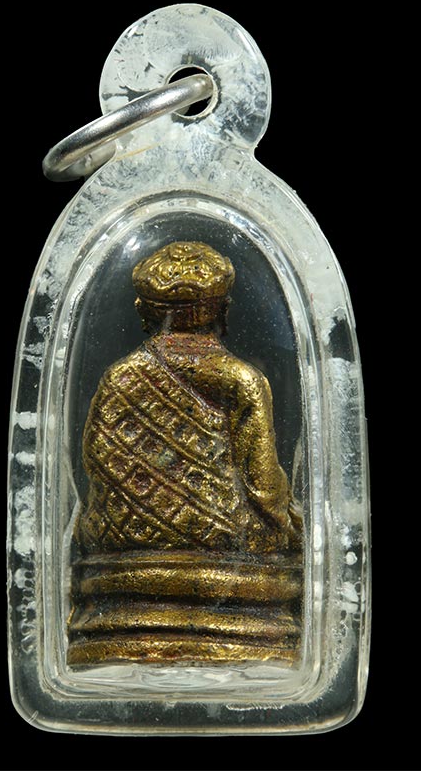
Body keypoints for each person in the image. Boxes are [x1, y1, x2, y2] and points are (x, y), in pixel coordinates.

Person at [68, 241, 302, 665]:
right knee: (289, 532)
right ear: (222, 310)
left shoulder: (118, 377)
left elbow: (96, 466)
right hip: (225, 541)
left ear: (143, 310)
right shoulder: (242, 379)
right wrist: (289, 521)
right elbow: (263, 486)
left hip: (125, 546)